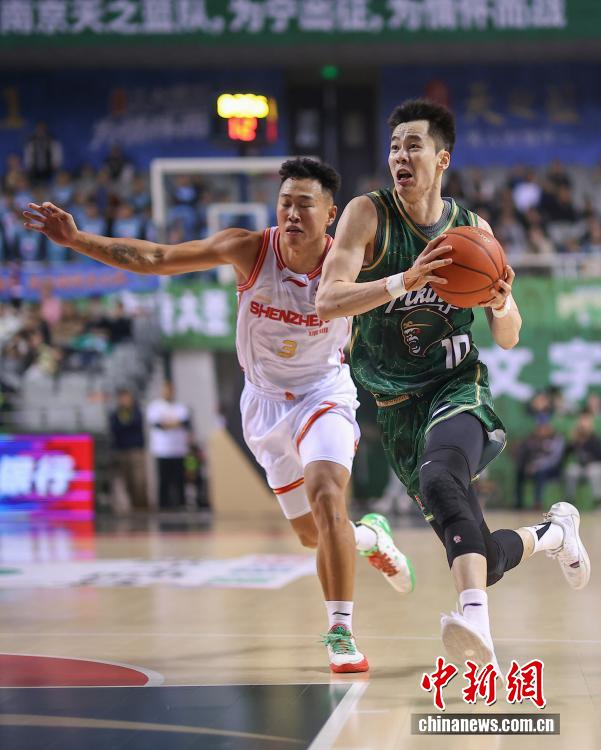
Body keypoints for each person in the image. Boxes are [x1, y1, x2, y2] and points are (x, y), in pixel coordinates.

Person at [22, 157, 415, 674]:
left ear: (331, 214)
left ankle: (340, 631)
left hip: (324, 394)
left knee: (326, 496)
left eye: (305, 204)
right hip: (264, 403)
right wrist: (77, 240)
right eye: (285, 202)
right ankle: (370, 537)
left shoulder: (349, 263)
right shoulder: (249, 249)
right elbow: (157, 257)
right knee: (312, 534)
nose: (292, 213)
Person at [316, 99, 590, 669]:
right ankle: (554, 533)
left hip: (455, 386)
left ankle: (475, 624)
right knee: (480, 553)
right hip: (395, 406)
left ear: (442, 159)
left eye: (413, 146)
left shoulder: (473, 232)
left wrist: (503, 301)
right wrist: (404, 280)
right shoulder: (368, 215)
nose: (400, 156)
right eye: (394, 147)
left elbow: (508, 336)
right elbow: (328, 300)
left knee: (442, 477)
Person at [146, 381, 191, 510]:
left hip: (178, 449)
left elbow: (184, 422)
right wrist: (174, 424)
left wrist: (168, 424)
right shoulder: (155, 407)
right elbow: (158, 425)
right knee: (164, 480)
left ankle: (181, 505)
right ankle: (163, 506)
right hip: (162, 450)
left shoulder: (181, 407)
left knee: (179, 480)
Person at [109, 388, 148, 512]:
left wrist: (125, 426)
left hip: (136, 450)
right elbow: (116, 428)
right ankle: (132, 506)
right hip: (122, 451)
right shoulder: (116, 414)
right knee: (127, 480)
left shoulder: (136, 412)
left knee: (139, 480)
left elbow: (133, 425)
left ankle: (141, 506)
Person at [515, 420, 565, 510]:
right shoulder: (533, 440)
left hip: (552, 468)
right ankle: (519, 503)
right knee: (520, 472)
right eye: (540, 428)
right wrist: (528, 465)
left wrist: (537, 465)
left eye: (544, 428)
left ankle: (538, 503)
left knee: (540, 473)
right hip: (533, 467)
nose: (542, 431)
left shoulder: (557, 439)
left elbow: (554, 459)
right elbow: (526, 455)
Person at [564, 410, 601, 507]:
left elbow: (598, 455)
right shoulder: (575, 438)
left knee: (594, 472)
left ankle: (598, 501)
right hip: (580, 465)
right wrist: (574, 440)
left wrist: (588, 437)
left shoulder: (595, 438)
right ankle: (569, 500)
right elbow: (566, 452)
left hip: (593, 464)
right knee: (571, 471)